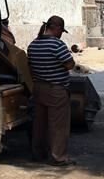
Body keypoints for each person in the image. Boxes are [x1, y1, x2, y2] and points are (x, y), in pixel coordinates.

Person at [28, 15, 76, 166]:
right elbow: (70, 65)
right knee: (58, 125)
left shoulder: (33, 45)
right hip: (56, 90)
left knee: (39, 124)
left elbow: (30, 67)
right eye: (61, 30)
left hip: (38, 88)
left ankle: (38, 153)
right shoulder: (57, 45)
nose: (61, 34)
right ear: (56, 28)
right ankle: (58, 156)